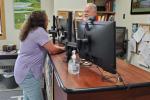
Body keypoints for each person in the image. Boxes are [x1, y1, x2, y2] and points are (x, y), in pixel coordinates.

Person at [14, 11, 65, 100]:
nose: (48, 21)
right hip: (28, 74)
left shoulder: (31, 30)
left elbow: (50, 46)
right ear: (42, 21)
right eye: (47, 20)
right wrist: (65, 49)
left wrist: (58, 47)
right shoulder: (39, 31)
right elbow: (52, 50)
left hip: (22, 71)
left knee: (27, 97)